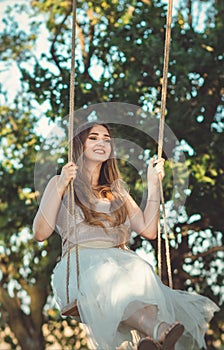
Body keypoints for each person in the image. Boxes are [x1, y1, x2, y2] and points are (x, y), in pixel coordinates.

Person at [33, 122, 219, 350]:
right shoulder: (61, 183)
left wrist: (153, 185)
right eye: (93, 137)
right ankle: (159, 330)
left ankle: (150, 340)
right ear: (79, 146)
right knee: (109, 275)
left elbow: (148, 230)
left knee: (140, 270)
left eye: (106, 138)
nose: (101, 142)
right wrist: (61, 184)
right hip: (82, 268)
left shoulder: (117, 191)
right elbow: (40, 232)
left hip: (120, 260)